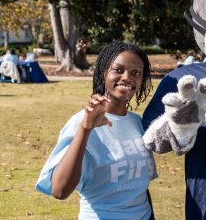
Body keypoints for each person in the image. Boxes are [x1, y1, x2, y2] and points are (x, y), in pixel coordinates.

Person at [35, 41, 157, 220]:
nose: (126, 77)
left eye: (135, 73)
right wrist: (85, 128)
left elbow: (139, 189)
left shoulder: (137, 122)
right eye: (118, 70)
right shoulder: (80, 121)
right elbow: (59, 190)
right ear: (103, 73)